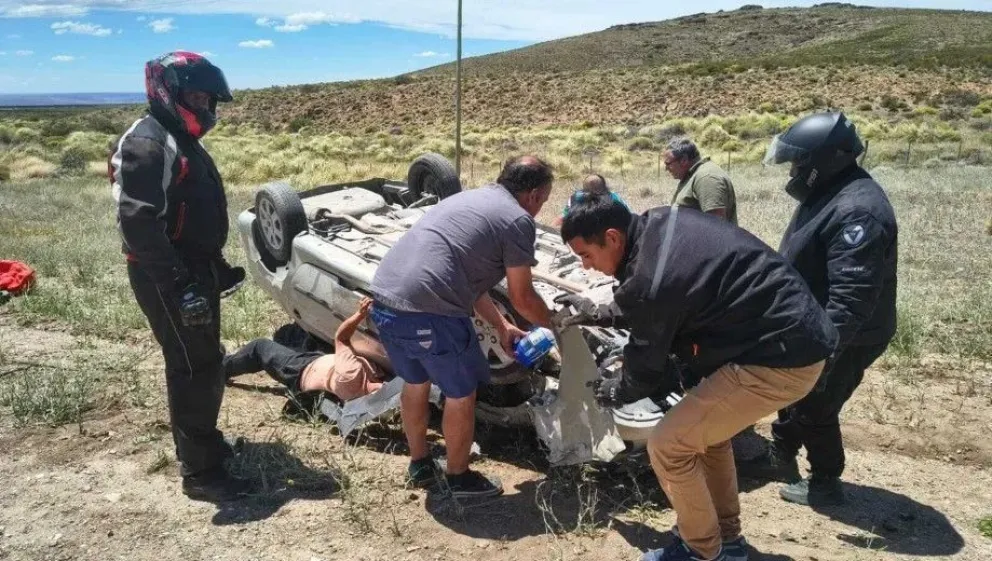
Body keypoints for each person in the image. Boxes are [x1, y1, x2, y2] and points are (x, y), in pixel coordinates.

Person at [557, 195, 838, 561]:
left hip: (777, 360)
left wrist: (616, 390)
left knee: (668, 446)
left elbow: (645, 364)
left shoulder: (652, 277)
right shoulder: (657, 224)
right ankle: (727, 540)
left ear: (612, 238)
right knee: (706, 440)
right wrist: (597, 313)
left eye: (587, 255)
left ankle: (701, 551)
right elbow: (652, 301)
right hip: (792, 339)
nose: (587, 266)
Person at [370, 156, 555, 499]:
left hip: (385, 299)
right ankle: (458, 478)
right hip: (429, 310)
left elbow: (468, 281)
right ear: (532, 195)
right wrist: (558, 327)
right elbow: (523, 296)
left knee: (415, 381)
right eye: (542, 201)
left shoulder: (468, 199)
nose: (539, 209)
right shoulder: (517, 220)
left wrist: (501, 326)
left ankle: (420, 465)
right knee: (461, 393)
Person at [110, 51, 247, 502]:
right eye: (195, 95)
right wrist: (179, 285)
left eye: (208, 98)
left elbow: (186, 210)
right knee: (192, 366)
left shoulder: (176, 137)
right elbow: (139, 224)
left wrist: (212, 269)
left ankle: (202, 444)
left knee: (205, 359)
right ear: (167, 91)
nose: (204, 105)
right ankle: (202, 474)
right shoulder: (148, 142)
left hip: (190, 269)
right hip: (166, 274)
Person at [753, 112, 898, 507]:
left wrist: (823, 351)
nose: (795, 171)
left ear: (824, 160)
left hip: (846, 331)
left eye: (800, 162)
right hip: (815, 320)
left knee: (817, 399)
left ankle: (825, 482)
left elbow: (852, 299)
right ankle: (781, 456)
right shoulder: (833, 193)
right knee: (795, 392)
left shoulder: (857, 211)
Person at [224, 297, 387, 403]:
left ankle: (220, 368)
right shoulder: (372, 383)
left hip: (299, 371)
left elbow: (342, 338)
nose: (384, 385)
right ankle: (283, 338)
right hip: (321, 365)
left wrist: (360, 314)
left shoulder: (352, 375)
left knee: (259, 347)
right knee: (299, 335)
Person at [664, 137, 738, 224]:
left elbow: (716, 226)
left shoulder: (706, 178)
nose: (666, 168)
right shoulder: (693, 175)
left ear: (683, 160)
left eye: (668, 163)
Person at [552, 173, 628, 227]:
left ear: (584, 189)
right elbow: (628, 218)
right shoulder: (615, 199)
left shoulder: (575, 198)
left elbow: (562, 218)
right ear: (604, 187)